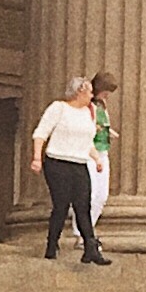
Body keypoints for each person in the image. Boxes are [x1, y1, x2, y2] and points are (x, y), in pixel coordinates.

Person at [30, 75, 109, 264]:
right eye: (89, 91)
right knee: (62, 205)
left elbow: (87, 141)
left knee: (84, 205)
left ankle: (90, 248)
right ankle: (51, 244)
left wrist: (96, 158)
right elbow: (41, 133)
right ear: (79, 91)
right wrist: (36, 158)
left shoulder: (87, 113)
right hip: (57, 162)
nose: (92, 95)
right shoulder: (59, 108)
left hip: (79, 163)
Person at [88, 70, 119, 234]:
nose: (107, 95)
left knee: (102, 195)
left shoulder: (102, 106)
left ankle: (89, 227)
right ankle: (82, 232)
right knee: (90, 193)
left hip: (103, 150)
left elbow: (102, 125)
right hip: (90, 151)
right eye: (106, 91)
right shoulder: (89, 105)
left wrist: (109, 132)